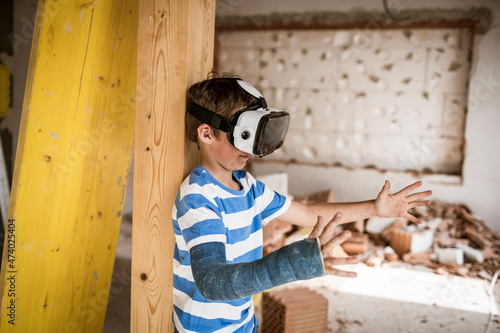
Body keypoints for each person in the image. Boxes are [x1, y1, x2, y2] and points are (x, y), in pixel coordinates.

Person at [172, 74, 432, 332]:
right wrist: (288, 266)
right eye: (242, 134)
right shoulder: (198, 197)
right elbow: (212, 281)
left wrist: (374, 209)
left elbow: (307, 214)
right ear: (206, 134)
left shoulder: (247, 186)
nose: (250, 148)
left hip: (243, 322)